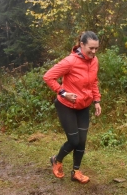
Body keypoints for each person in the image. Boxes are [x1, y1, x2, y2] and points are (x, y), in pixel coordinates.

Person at [43, 31, 101, 184]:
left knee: (82, 141)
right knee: (74, 141)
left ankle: (76, 171)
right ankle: (56, 159)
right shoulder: (70, 61)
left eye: (96, 49)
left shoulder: (94, 61)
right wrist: (63, 92)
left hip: (84, 105)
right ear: (81, 45)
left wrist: (97, 100)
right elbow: (48, 77)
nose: (94, 52)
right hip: (66, 105)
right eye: (91, 48)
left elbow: (94, 82)